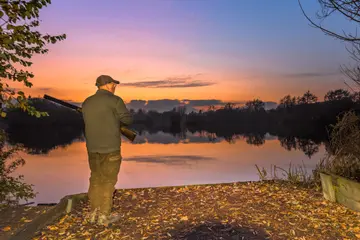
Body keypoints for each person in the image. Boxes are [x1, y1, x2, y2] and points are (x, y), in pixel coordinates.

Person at [81, 75, 133, 226]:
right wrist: (117, 118)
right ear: (107, 85)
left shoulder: (87, 102)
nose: (115, 86)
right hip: (110, 148)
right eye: (113, 84)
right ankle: (104, 216)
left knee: (95, 179)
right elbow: (127, 120)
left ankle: (93, 213)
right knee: (108, 182)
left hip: (92, 149)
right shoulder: (115, 100)